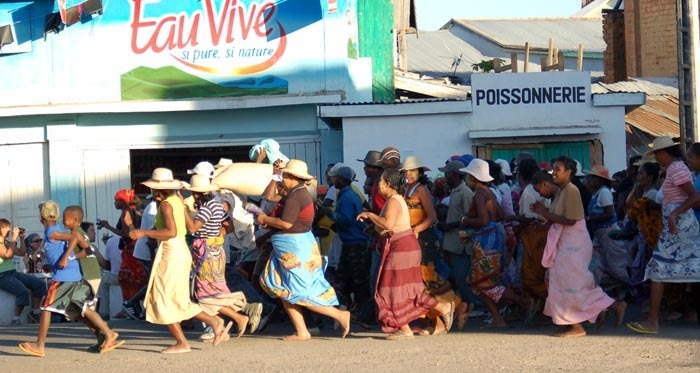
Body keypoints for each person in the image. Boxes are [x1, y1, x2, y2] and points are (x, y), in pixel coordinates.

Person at [129, 168, 230, 353]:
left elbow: (171, 232)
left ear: (157, 189)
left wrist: (143, 232)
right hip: (178, 251)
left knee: (164, 298)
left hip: (171, 251)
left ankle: (184, 341)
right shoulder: (176, 201)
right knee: (175, 298)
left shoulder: (167, 204)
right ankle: (212, 322)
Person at [257, 159, 351, 341]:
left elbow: (286, 223)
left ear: (293, 177)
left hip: (295, 249)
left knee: (300, 290)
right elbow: (269, 197)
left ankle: (339, 315)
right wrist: (275, 174)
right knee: (283, 289)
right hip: (291, 247)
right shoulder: (295, 193)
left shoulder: (296, 196)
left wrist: (264, 219)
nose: (282, 178)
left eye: (284, 175)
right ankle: (302, 330)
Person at [532, 158, 626, 338]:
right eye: (553, 169)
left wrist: (544, 214)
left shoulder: (571, 191)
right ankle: (610, 306)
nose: (554, 173)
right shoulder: (562, 191)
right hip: (566, 244)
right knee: (568, 284)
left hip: (573, 245)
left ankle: (577, 326)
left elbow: (571, 220)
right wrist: (544, 219)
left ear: (568, 172)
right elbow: (559, 219)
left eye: (557, 169)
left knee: (570, 285)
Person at [357, 168, 454, 339]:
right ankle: (405, 327)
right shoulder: (394, 199)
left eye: (380, 182)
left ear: (387, 184)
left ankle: (440, 309)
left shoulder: (394, 200)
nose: (377, 186)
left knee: (392, 288)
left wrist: (370, 215)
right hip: (402, 246)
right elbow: (388, 226)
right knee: (400, 289)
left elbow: (388, 224)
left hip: (402, 248)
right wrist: (374, 227)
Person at [19, 203, 123, 357]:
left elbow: (75, 236)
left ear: (41, 218)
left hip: (63, 278)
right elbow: (80, 243)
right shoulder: (55, 231)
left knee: (47, 308)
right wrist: (83, 250)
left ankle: (39, 345)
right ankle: (108, 334)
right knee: (82, 310)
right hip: (74, 276)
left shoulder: (52, 233)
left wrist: (66, 257)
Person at [627, 137, 700, 334]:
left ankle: (653, 321)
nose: (657, 158)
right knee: (683, 269)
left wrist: (675, 214)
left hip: (678, 226)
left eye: (658, 154)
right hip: (677, 226)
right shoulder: (674, 169)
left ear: (666, 152)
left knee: (658, 270)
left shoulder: (676, 169)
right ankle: (653, 320)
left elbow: (695, 197)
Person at [460, 159, 534, 328]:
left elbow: (483, 220)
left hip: (485, 241)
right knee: (483, 282)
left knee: (482, 282)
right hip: (494, 237)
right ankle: (499, 318)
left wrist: (465, 220)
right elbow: (500, 215)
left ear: (472, 177)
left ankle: (522, 302)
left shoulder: (479, 194)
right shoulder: (490, 193)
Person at [182, 175, 249, 341]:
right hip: (216, 250)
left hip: (205, 253)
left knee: (205, 293)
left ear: (197, 194)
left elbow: (192, 228)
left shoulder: (205, 209)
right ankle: (223, 328)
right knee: (214, 291)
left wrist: (183, 209)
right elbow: (230, 226)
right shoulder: (217, 206)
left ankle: (237, 318)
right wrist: (216, 236)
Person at [401, 156, 458, 331]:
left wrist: (417, 229)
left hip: (425, 239)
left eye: (412, 171)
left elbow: (432, 216)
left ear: (419, 172)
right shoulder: (407, 189)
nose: (408, 174)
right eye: (406, 171)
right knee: (418, 281)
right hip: (412, 239)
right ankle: (427, 320)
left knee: (429, 279)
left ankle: (443, 316)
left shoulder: (421, 190)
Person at [322, 166, 369, 312]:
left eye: (335, 177)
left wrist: (329, 214)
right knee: (347, 278)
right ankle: (351, 308)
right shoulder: (346, 194)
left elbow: (345, 220)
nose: (333, 180)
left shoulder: (347, 197)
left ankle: (362, 311)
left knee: (356, 279)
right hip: (352, 242)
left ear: (342, 180)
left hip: (354, 243)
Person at [438, 159, 474, 328]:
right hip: (452, 242)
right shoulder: (454, 191)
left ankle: (470, 306)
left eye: (448, 173)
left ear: (456, 175)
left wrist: (450, 225)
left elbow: (470, 217)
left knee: (461, 279)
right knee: (454, 278)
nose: (445, 177)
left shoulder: (465, 192)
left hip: (460, 244)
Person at [98, 189, 147, 307]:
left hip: (130, 250)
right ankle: (137, 305)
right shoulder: (136, 212)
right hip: (137, 248)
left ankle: (130, 304)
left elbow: (126, 234)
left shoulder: (126, 215)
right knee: (137, 278)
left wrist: (108, 227)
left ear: (122, 201)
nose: (114, 203)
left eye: (116, 201)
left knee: (126, 279)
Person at [512, 158, 549, 305]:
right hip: (540, 232)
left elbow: (528, 217)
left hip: (533, 234)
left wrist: (512, 218)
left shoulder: (528, 191)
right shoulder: (535, 189)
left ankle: (544, 304)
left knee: (530, 274)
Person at [0, 220, 47, 325]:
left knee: (39, 285)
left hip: (12, 272)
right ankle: (16, 319)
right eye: (6, 228)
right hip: (2, 275)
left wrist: (21, 239)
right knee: (23, 292)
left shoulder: (6, 242)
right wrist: (13, 239)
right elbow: (8, 255)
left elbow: (22, 252)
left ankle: (35, 312)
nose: (9, 230)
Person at [122, 194, 158, 320]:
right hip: (147, 251)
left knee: (152, 281)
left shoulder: (153, 207)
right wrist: (153, 257)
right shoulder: (153, 209)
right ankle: (132, 302)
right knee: (153, 281)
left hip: (148, 250)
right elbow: (150, 236)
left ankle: (140, 306)